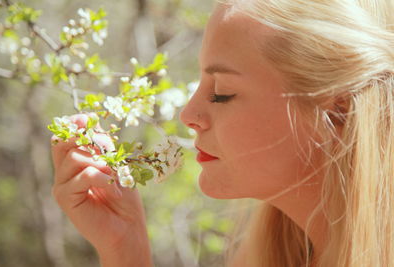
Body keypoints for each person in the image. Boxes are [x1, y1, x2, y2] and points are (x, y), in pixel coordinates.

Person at [50, 0, 394, 266]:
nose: (188, 114)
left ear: (338, 110)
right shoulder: (279, 254)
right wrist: (125, 249)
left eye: (222, 92)